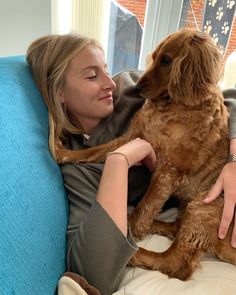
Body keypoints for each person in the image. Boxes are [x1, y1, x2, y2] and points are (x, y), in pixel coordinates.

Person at [26, 33, 236, 294]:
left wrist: (234, 157)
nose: (109, 83)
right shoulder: (77, 170)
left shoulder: (131, 87)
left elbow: (222, 95)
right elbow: (94, 271)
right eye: (92, 76)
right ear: (59, 93)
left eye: (105, 69)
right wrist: (119, 160)